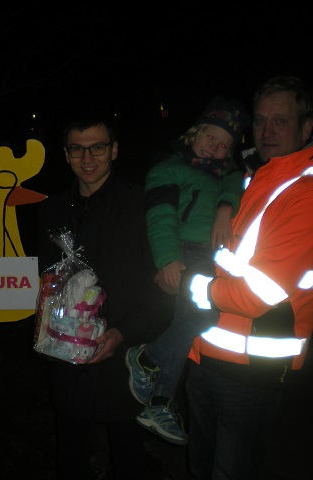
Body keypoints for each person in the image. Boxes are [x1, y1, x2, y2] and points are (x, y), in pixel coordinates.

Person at [179, 75, 313, 479]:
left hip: (250, 373)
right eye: (260, 120)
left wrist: (192, 286)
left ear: (306, 127)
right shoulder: (249, 175)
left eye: (281, 121)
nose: (267, 131)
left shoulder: (309, 193)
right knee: (200, 467)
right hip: (202, 352)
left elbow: (261, 293)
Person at [37, 111, 167, 479]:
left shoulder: (142, 206)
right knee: (70, 449)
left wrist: (123, 333)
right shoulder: (51, 210)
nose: (87, 158)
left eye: (97, 147)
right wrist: (48, 330)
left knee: (128, 452)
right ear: (66, 154)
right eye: (77, 149)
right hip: (66, 352)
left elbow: (162, 288)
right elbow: (45, 279)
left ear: (114, 150)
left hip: (124, 354)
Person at [126, 96, 248, 445]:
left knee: (184, 329)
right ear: (196, 131)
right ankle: (146, 357)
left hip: (212, 257)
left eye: (224, 145)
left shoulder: (224, 175)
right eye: (211, 136)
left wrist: (225, 209)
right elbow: (160, 217)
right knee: (208, 316)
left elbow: (236, 180)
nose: (215, 147)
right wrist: (167, 259)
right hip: (186, 253)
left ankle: (159, 404)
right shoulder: (169, 168)